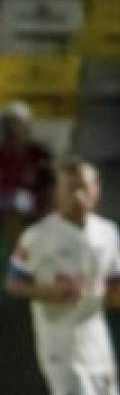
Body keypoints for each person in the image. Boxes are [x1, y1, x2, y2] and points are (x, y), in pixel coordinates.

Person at [7, 157, 120, 395]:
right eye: (68, 187)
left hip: (95, 334)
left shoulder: (108, 232)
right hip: (60, 337)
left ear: (96, 191)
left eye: (83, 187)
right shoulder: (39, 236)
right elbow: (14, 282)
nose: (76, 195)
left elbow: (116, 284)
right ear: (57, 192)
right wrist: (45, 291)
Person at [0, 101, 53, 269]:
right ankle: (17, 256)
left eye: (18, 123)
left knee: (21, 202)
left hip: (33, 205)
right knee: (15, 204)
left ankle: (21, 255)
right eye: (10, 124)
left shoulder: (39, 154)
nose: (14, 129)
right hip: (5, 204)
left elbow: (50, 183)